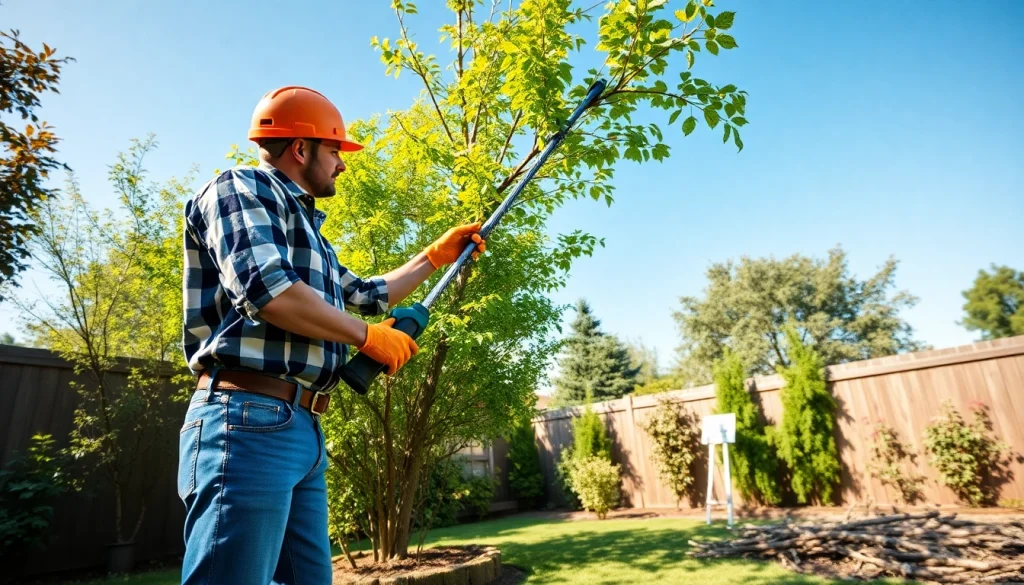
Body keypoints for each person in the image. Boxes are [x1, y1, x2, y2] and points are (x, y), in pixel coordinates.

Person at [176, 86, 485, 585]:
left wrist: (434, 256)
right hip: (246, 418)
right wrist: (368, 337)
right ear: (302, 149)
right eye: (336, 150)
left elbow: (364, 294)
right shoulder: (237, 189)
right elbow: (269, 291)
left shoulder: (308, 232)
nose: (343, 164)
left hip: (302, 426)